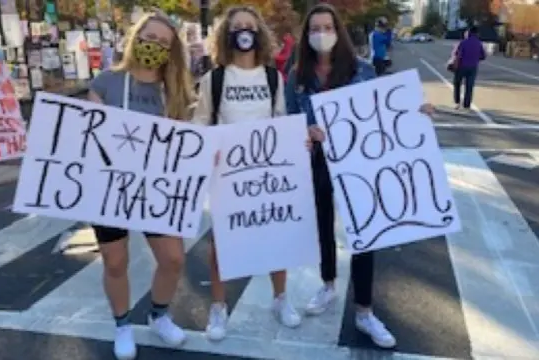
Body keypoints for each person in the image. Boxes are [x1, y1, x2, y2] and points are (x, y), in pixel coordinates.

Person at [285, 3, 434, 349]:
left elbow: (385, 111)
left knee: (366, 233)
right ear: (307, 36)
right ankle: (327, 284)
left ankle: (364, 310)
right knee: (321, 225)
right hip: (319, 161)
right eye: (315, 29)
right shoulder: (297, 76)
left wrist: (416, 111)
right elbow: (291, 120)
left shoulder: (362, 71)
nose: (321, 34)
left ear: (338, 32)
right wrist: (306, 130)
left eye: (327, 27)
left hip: (359, 164)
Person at [87, 11, 196, 360]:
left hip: (156, 187)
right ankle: (122, 324)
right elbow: (90, 133)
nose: (155, 46)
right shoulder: (106, 81)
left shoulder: (173, 89)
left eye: (164, 43)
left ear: (171, 50)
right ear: (136, 37)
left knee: (173, 258)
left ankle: (159, 314)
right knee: (115, 262)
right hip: (110, 185)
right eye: (149, 37)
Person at [192, 5, 301, 342]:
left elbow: (281, 119)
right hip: (228, 174)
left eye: (249, 26)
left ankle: (280, 298)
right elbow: (202, 121)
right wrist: (206, 149)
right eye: (237, 26)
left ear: (259, 34)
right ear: (227, 34)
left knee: (275, 237)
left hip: (267, 172)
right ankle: (219, 306)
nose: (243, 31)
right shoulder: (215, 78)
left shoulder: (272, 77)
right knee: (220, 243)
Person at [453, 26, 485, 111]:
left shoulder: (463, 42)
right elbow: (483, 56)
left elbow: (457, 54)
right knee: (469, 87)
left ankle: (457, 102)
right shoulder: (479, 43)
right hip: (473, 67)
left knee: (457, 84)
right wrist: (475, 58)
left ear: (469, 33)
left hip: (461, 67)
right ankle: (467, 105)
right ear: (477, 34)